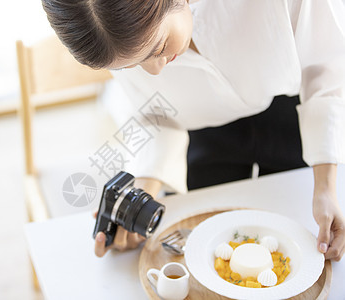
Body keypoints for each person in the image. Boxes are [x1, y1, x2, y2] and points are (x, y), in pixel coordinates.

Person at [42, 0, 345, 261]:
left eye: (158, 47)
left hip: (294, 110)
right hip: (202, 130)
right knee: (208, 245)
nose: (155, 71)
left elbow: (326, 65)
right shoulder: (110, 28)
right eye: (130, 64)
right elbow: (156, 112)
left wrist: (326, 186)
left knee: (297, 235)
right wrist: (142, 196)